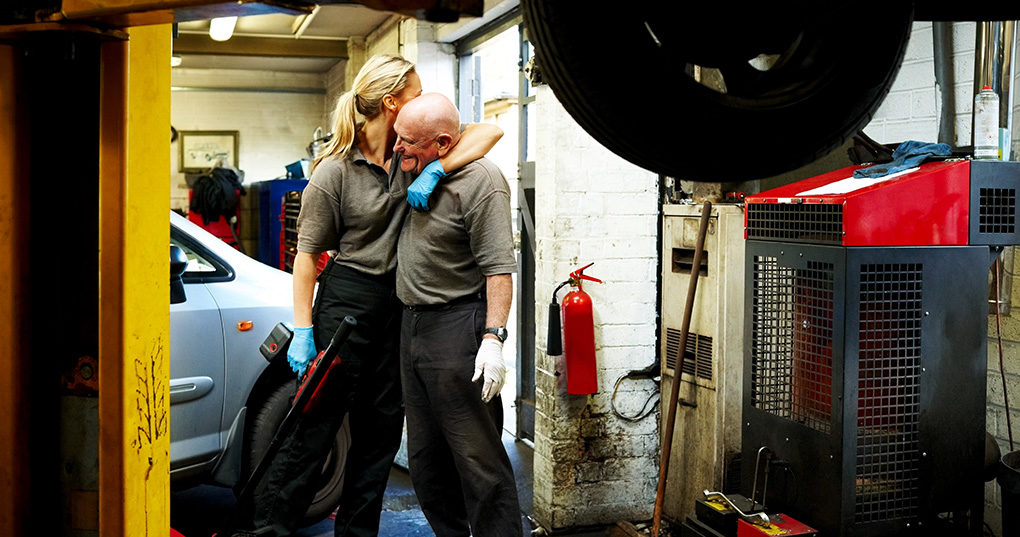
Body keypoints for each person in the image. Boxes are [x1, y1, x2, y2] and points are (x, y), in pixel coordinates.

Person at [248, 55, 502, 537]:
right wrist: (304, 331)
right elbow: (307, 258)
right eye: (416, 90)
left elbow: (488, 132)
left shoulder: (416, 156)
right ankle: (269, 532)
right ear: (392, 102)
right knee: (312, 430)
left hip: (397, 307)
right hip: (346, 302)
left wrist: (438, 168)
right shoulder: (335, 171)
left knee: (379, 437)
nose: (425, 98)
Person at [393, 93, 522, 537]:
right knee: (426, 465)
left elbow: (499, 270)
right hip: (411, 329)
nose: (397, 148)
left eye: (408, 141)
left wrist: (493, 339)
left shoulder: (483, 181)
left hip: (458, 330)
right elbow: (482, 132)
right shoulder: (411, 165)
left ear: (443, 143)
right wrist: (431, 167)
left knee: (478, 464)